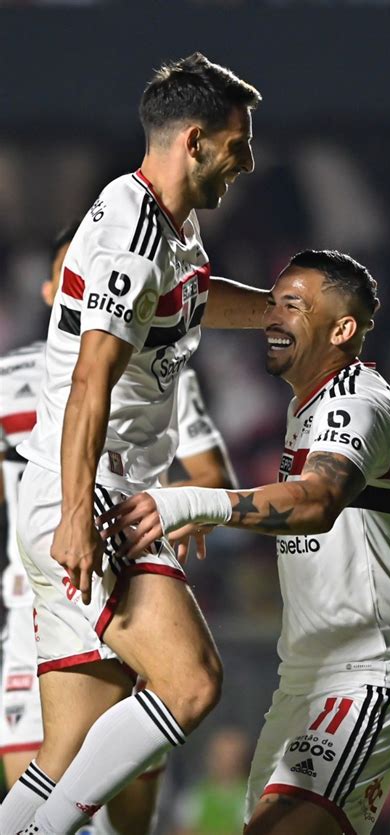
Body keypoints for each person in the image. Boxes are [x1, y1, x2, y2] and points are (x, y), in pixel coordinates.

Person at [0, 52, 264, 834]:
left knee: (69, 748)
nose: (245, 164)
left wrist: (290, 312)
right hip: (87, 496)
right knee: (190, 683)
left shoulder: (170, 233)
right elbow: (90, 382)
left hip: (88, 495)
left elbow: (196, 300)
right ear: (194, 140)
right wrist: (77, 516)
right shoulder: (130, 234)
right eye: (237, 146)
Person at [102, 250, 390, 835]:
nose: (272, 317)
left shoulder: (356, 399)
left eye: (293, 306)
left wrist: (192, 501)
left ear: (342, 329)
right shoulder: (305, 407)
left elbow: (317, 501)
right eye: (272, 302)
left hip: (365, 677)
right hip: (305, 682)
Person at [0, 226, 237, 835]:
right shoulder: (9, 381)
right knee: (185, 687)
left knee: (109, 800)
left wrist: (168, 506)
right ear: (58, 291)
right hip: (46, 590)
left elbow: (210, 475)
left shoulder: (161, 366)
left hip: (110, 559)